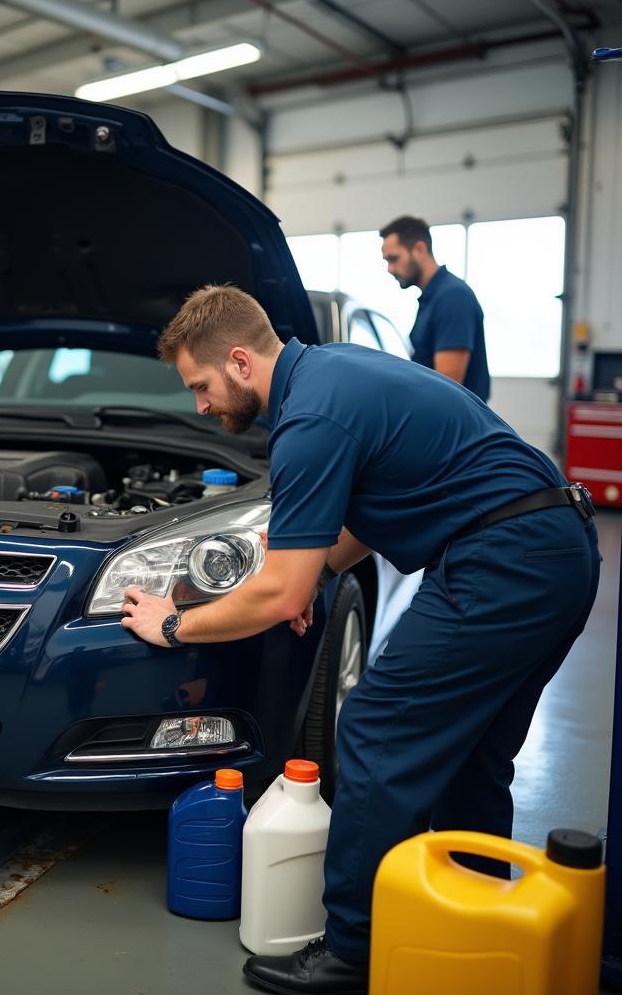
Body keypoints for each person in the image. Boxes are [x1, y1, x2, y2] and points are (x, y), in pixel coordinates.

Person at [122, 284, 598, 994]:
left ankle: (352, 949)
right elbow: (375, 506)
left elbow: (276, 591)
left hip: (504, 560)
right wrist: (315, 578)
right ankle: (469, 921)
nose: (201, 405)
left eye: (201, 385)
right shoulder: (333, 373)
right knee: (472, 758)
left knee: (373, 731)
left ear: (243, 363)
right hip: (556, 550)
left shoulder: (309, 418)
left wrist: (172, 621)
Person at [380, 215, 491, 402]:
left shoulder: (452, 297)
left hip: (454, 426)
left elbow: (447, 387)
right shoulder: (433, 298)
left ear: (420, 249)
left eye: (394, 259)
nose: (389, 269)